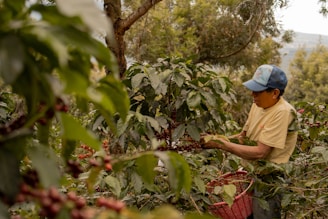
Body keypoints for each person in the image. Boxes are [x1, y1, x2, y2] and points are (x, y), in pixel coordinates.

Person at [201, 64, 298, 219]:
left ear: (274, 93)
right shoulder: (258, 103)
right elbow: (243, 136)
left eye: (258, 91)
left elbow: (261, 152)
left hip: (269, 179)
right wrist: (216, 138)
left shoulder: (283, 112)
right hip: (251, 172)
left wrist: (222, 145)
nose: (252, 94)